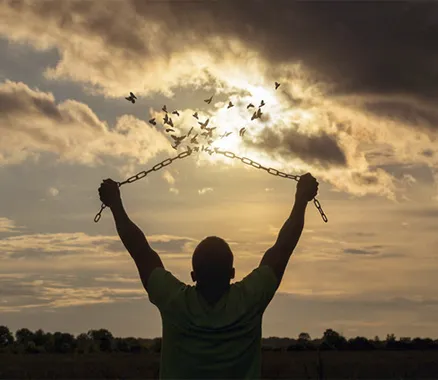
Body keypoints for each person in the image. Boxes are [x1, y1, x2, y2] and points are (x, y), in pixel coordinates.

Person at [98, 173, 318, 379]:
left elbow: (140, 250)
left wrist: (116, 205)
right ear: (232, 273)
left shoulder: (174, 301)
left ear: (193, 275)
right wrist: (301, 201)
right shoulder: (250, 299)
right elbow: (283, 248)